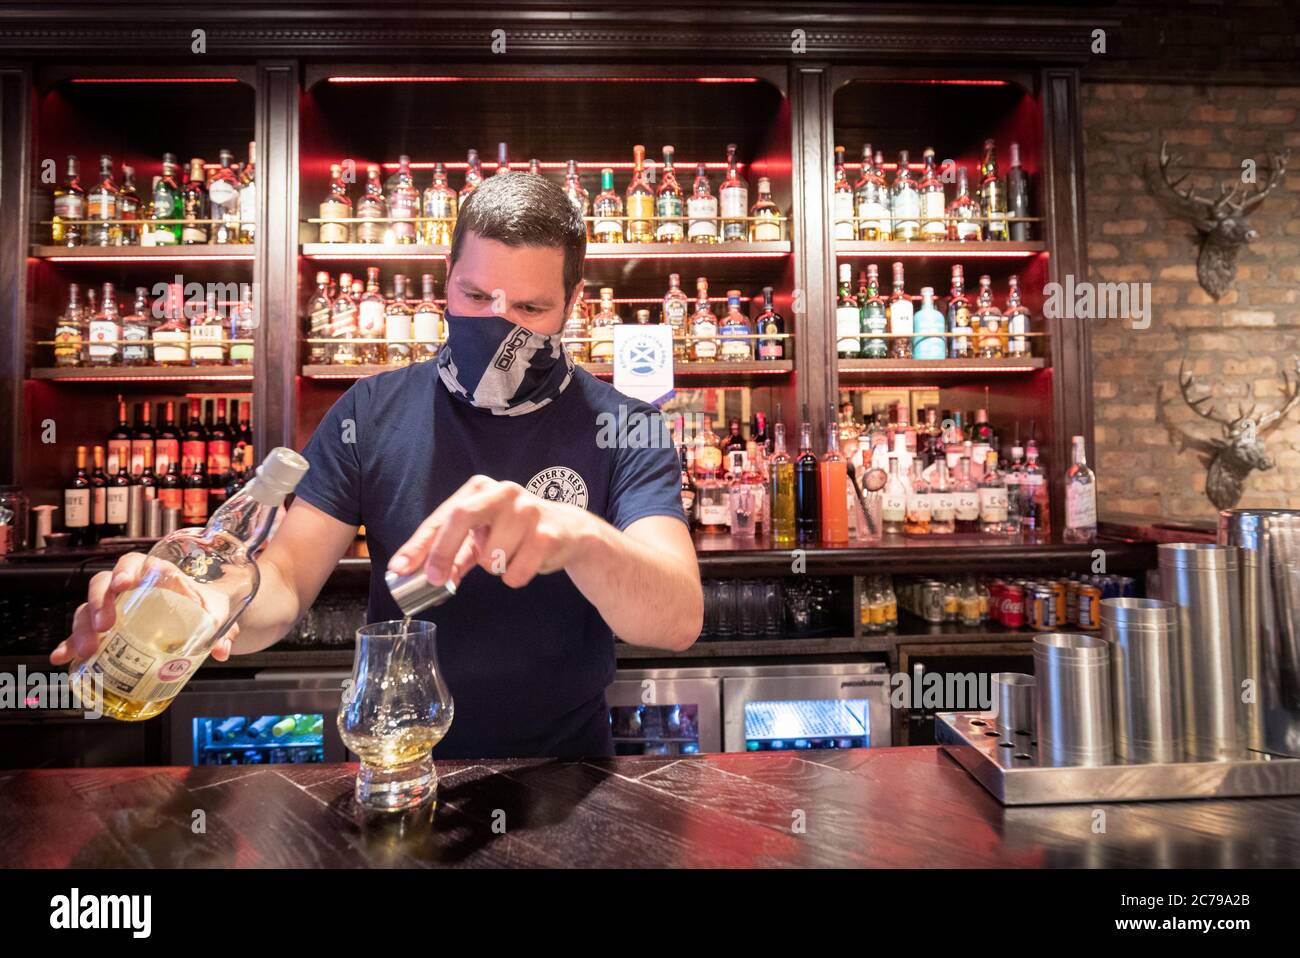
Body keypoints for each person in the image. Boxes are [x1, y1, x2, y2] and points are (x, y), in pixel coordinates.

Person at [53, 172, 704, 759]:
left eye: (529, 310)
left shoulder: (627, 424)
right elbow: (282, 583)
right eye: (475, 297)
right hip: (397, 762)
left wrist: (580, 537)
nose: (496, 329)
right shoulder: (371, 409)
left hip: (566, 770)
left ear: (575, 301)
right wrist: (204, 603)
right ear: (445, 278)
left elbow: (676, 618)